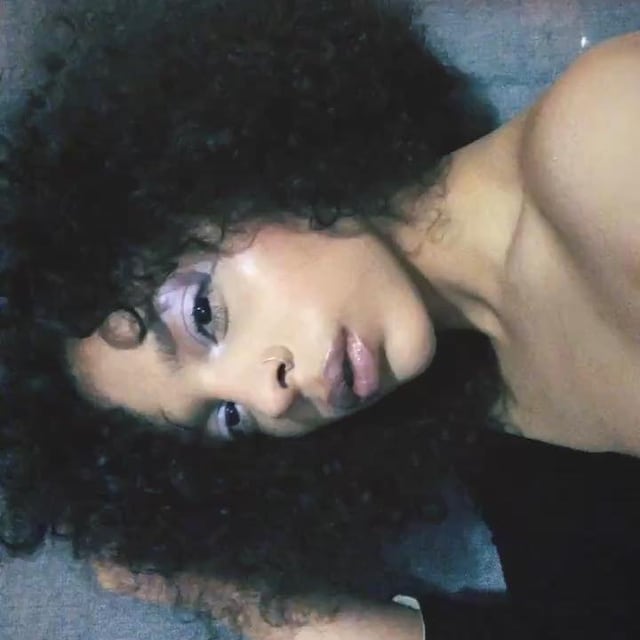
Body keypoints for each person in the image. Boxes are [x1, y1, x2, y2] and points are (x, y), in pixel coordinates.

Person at [1, 0, 639, 637]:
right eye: (228, 418)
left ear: (233, 170)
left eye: (203, 315)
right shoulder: (503, 437)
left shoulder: (604, 140)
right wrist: (227, 597)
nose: (268, 398)